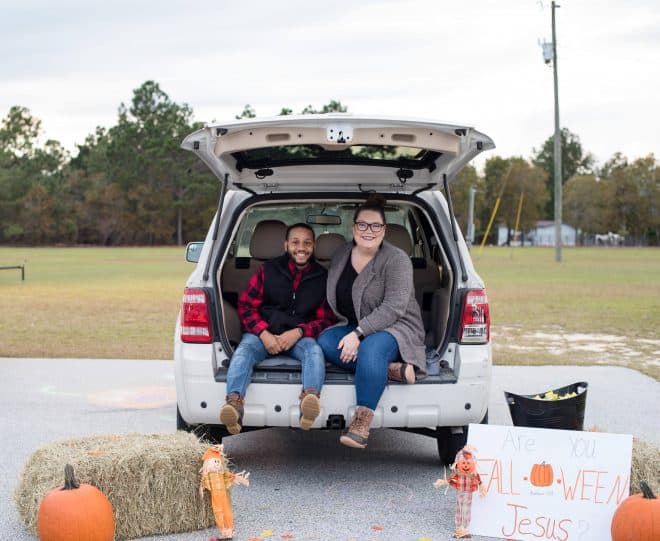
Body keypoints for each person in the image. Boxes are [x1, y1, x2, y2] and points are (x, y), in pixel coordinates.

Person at [318, 194, 426, 449]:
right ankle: (391, 370)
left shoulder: (397, 259)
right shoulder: (342, 254)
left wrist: (358, 333)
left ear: (384, 229)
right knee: (324, 340)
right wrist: (353, 331)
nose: (369, 231)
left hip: (396, 326)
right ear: (354, 227)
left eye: (376, 225)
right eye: (363, 225)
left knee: (370, 349)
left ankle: (361, 423)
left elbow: (394, 307)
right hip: (353, 325)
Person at [219, 223, 336, 434]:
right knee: (244, 351)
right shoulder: (268, 270)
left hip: (299, 337)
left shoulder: (323, 277)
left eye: (307, 243)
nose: (302, 248)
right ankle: (234, 403)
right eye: (295, 242)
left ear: (314, 246)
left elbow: (326, 319)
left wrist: (299, 332)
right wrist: (263, 333)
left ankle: (309, 400)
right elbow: (246, 306)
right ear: (286, 245)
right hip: (263, 335)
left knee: (314, 351)